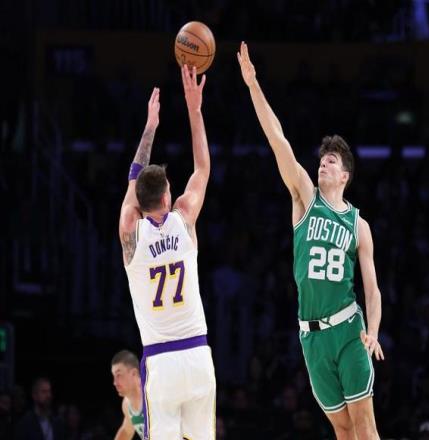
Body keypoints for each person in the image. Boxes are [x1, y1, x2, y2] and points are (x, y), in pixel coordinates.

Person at [238, 42, 384, 439]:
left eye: (331, 161)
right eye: (322, 159)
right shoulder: (305, 197)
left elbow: (372, 288)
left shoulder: (358, 224)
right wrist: (253, 85)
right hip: (312, 335)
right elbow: (278, 140)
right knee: (342, 429)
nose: (323, 163)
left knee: (364, 425)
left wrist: (373, 330)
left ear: (345, 176)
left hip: (349, 328)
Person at [118, 65, 216, 439]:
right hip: (197, 355)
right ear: (166, 197)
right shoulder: (184, 218)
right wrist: (195, 109)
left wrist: (150, 127)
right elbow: (203, 167)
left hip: (160, 361)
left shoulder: (130, 232)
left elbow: (133, 183)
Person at [111, 350, 144, 439]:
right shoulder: (126, 404)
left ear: (134, 373)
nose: (115, 383)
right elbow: (126, 431)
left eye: (119, 375)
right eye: (114, 376)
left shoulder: (152, 392)